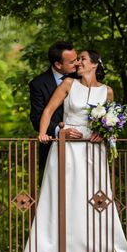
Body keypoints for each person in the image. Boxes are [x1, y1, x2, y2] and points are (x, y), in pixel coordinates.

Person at [22, 50, 127, 252]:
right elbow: (48, 111)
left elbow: (112, 121)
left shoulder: (107, 92)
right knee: (64, 193)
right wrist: (43, 133)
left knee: (95, 196)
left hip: (93, 148)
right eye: (77, 59)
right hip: (68, 146)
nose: (78, 63)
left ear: (94, 65)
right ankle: (52, 251)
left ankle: (98, 250)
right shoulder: (68, 85)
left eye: (82, 59)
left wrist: (105, 132)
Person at [29, 41, 82, 175]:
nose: (77, 63)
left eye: (77, 59)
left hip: (81, 144)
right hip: (52, 146)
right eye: (72, 62)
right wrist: (60, 131)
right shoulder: (38, 84)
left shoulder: (83, 77)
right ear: (58, 64)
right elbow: (36, 118)